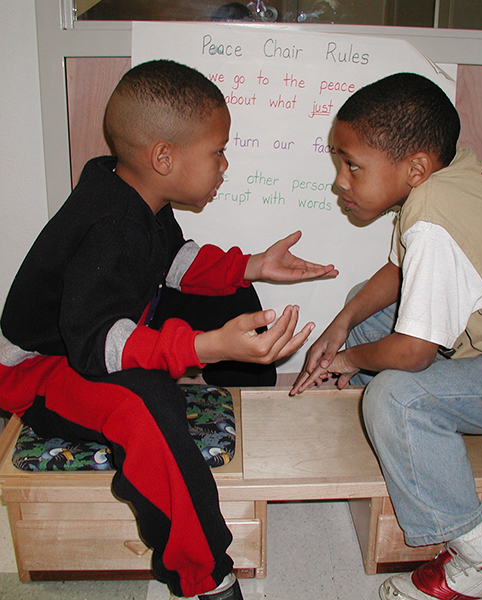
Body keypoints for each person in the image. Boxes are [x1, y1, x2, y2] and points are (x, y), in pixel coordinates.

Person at [0, 59, 337, 600]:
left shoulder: (134, 194)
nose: (225, 165)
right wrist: (204, 345)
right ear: (164, 158)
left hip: (101, 328)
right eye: (217, 152)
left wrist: (251, 266)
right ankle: (204, 574)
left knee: (229, 292)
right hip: (45, 365)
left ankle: (229, 385)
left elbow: (172, 260)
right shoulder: (112, 226)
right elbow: (95, 345)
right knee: (147, 406)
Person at [291, 72, 482, 600]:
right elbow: (397, 272)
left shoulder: (433, 217)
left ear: (414, 168)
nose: (340, 181)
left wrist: (346, 361)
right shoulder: (446, 178)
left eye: (352, 165)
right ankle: (414, 431)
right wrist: (343, 327)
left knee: (397, 397)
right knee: (364, 303)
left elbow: (411, 354)